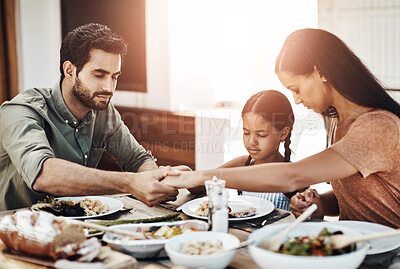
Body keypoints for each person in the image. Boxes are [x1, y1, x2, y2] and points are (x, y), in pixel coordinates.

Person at [163, 28, 400, 228]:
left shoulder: (378, 127)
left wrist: (200, 175)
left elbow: (290, 175)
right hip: (360, 246)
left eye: (296, 88)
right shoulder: (338, 123)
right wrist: (319, 204)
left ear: (320, 73)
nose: (296, 99)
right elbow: (355, 200)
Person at [0, 23, 178, 211]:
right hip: (12, 226)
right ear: (70, 71)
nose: (109, 88)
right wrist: (132, 182)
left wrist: (156, 180)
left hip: (77, 223)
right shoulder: (21, 111)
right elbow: (43, 174)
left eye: (114, 77)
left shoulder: (103, 110)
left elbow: (137, 159)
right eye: (99, 75)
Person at [219, 90, 300, 210]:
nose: (252, 141)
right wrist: (183, 172)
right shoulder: (242, 165)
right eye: (246, 133)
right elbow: (201, 184)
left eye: (261, 135)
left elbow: (314, 215)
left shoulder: (295, 174)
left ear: (283, 133)